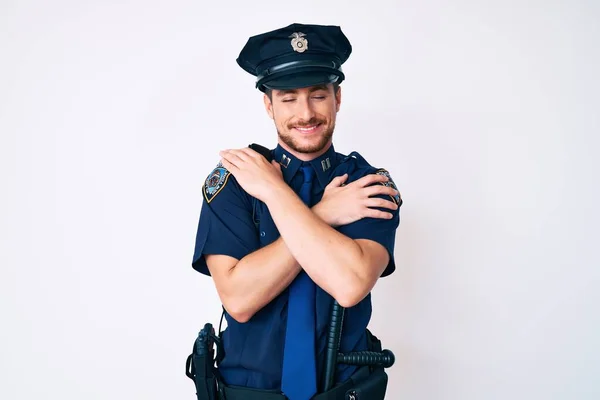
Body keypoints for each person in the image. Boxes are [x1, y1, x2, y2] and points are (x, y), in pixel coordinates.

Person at [191, 23, 402, 400]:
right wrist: (321, 213)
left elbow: (350, 284)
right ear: (268, 105)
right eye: (288, 98)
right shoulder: (236, 180)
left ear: (337, 97)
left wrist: (274, 193)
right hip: (248, 392)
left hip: (344, 390)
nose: (305, 114)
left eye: (318, 95)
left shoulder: (368, 185)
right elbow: (238, 300)